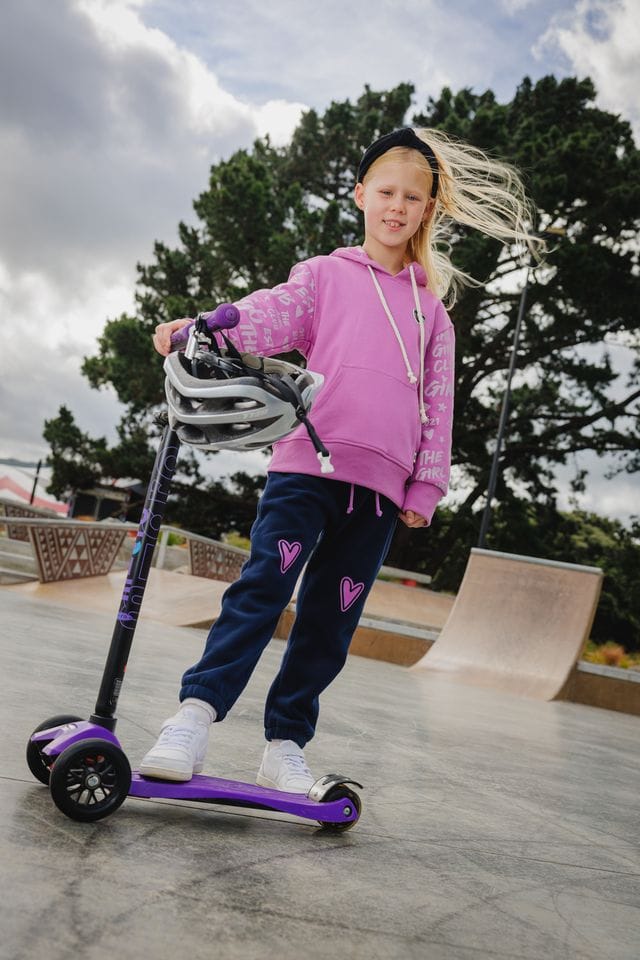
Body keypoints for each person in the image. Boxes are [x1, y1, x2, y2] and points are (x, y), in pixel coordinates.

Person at [140, 126, 541, 792]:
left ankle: (285, 746)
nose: (397, 206)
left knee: (330, 622)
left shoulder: (432, 313)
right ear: (361, 195)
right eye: (386, 191)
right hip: (307, 467)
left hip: (380, 492)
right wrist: (201, 326)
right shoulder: (325, 276)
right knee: (261, 590)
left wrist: (427, 486)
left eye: (413, 197)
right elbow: (268, 314)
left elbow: (439, 405)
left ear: (428, 210)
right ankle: (193, 718)